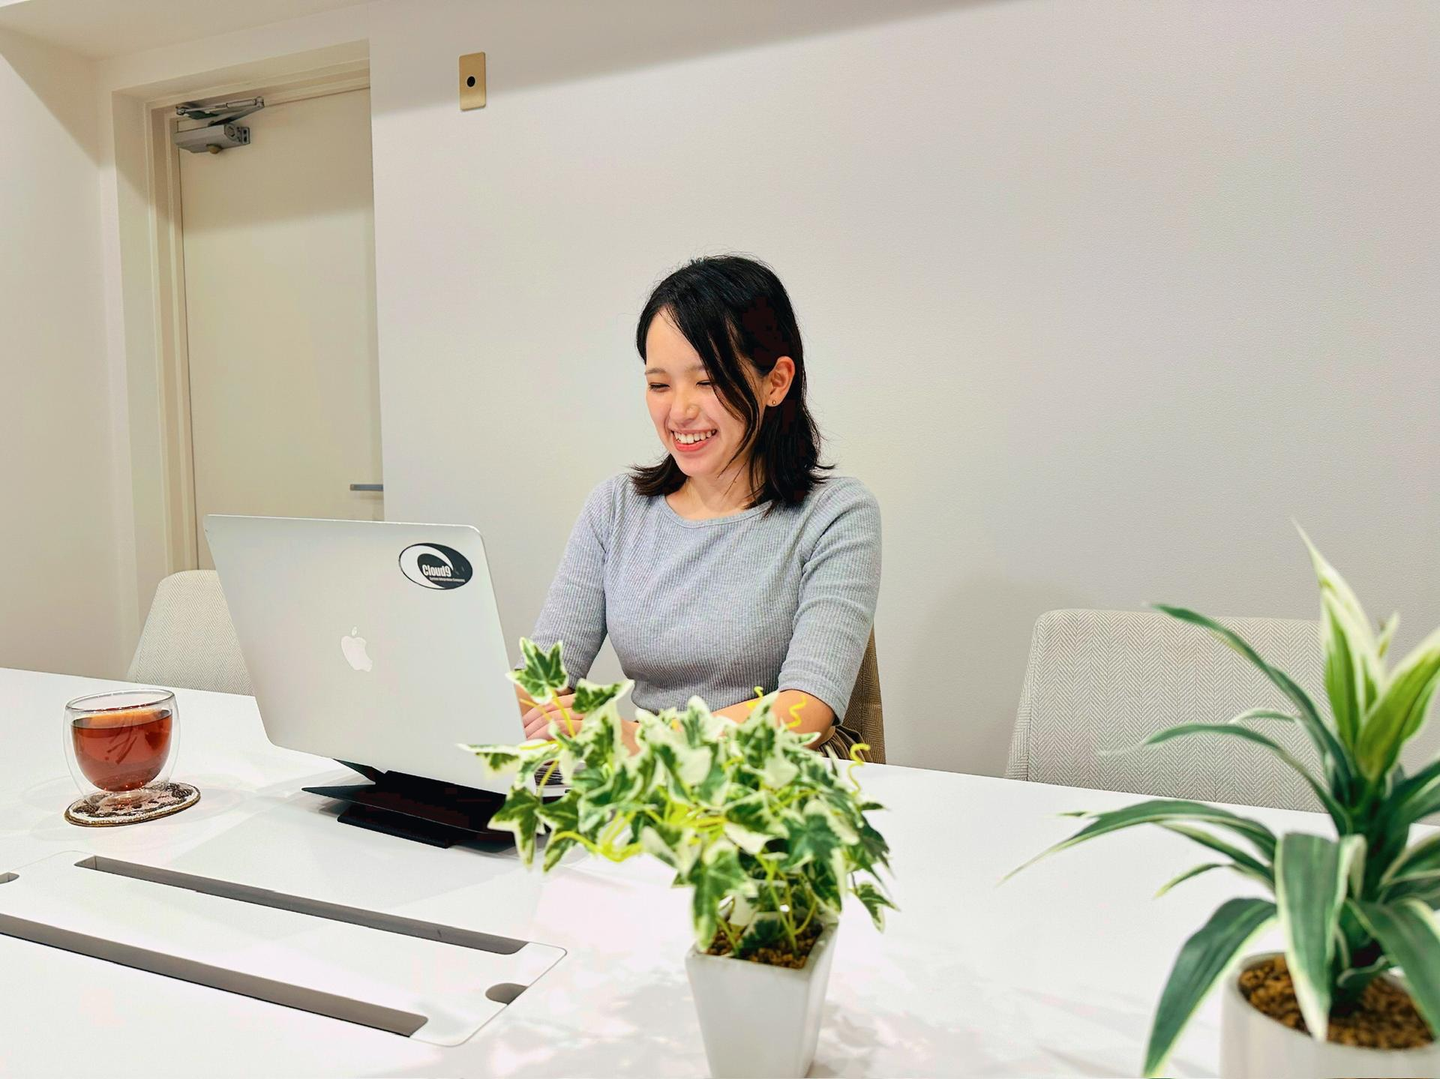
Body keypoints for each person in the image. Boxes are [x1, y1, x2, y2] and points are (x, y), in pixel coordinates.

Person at [518, 255, 881, 756]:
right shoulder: (615, 508)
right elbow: (545, 677)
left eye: (707, 381)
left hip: (775, 781)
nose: (679, 411)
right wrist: (510, 704)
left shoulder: (836, 514)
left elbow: (808, 711)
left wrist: (642, 740)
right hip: (646, 779)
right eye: (659, 385)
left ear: (776, 381)